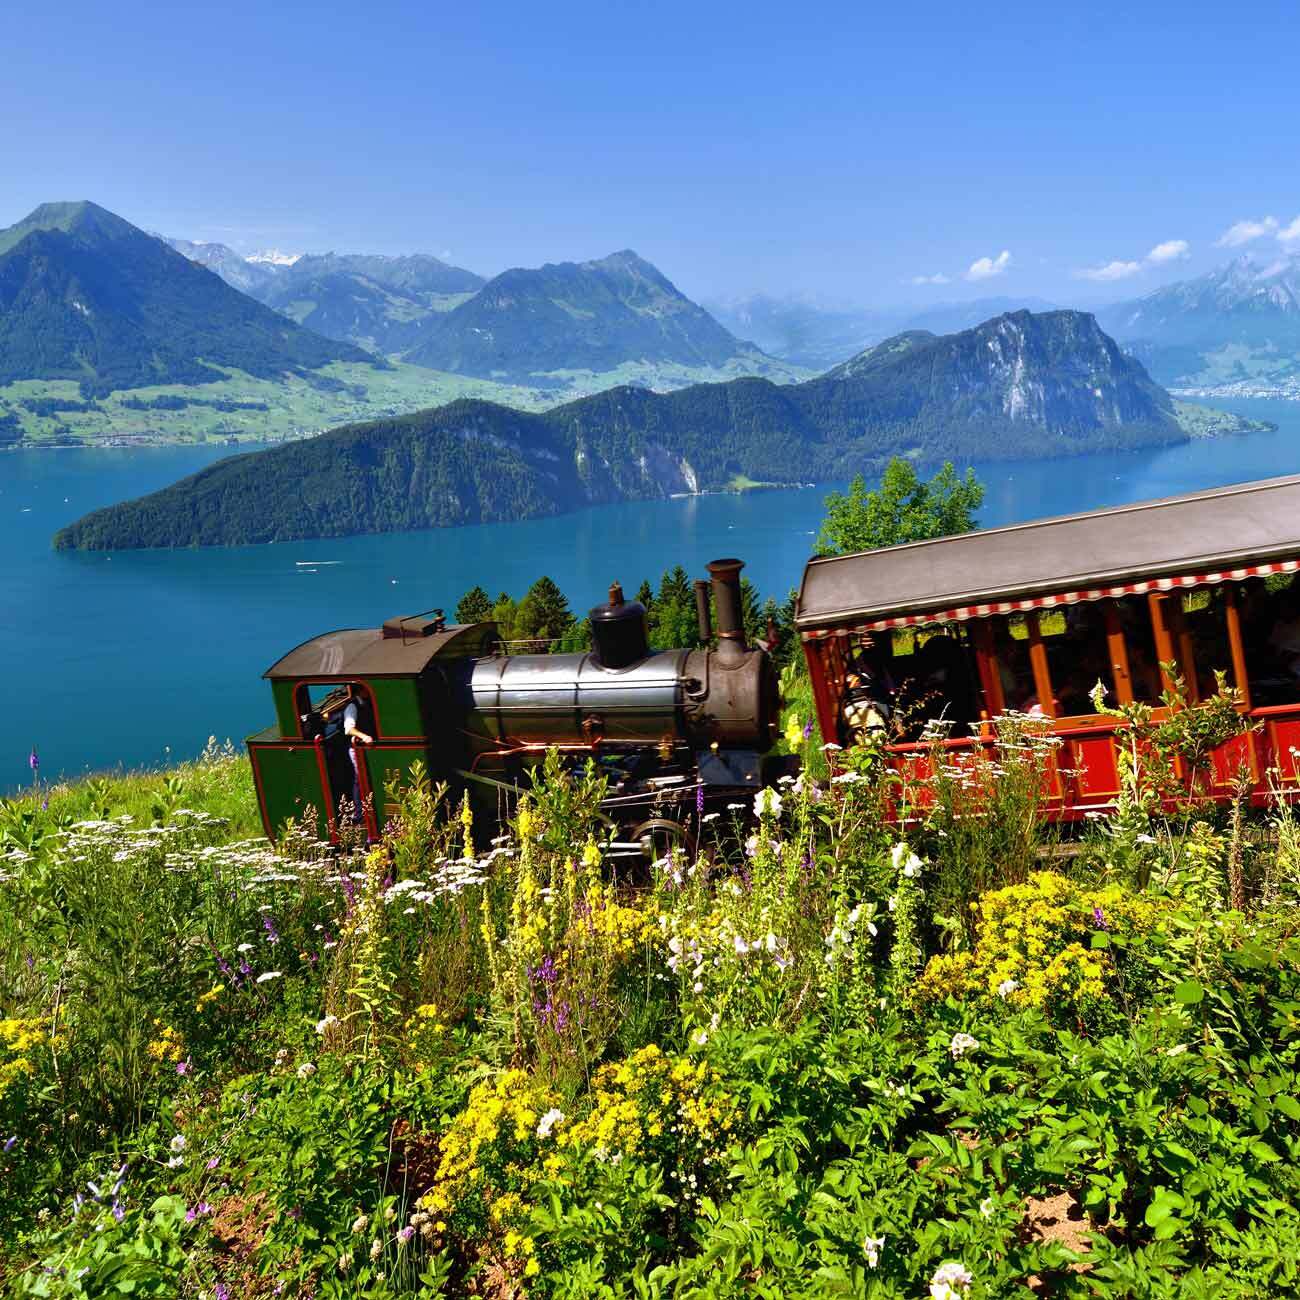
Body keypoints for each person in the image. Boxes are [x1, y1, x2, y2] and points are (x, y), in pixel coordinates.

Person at [342, 685, 374, 822]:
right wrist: (364, 737)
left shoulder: (366, 703)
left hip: (365, 749)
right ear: (360, 690)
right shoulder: (352, 707)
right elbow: (349, 729)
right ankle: (359, 814)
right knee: (360, 780)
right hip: (356, 750)